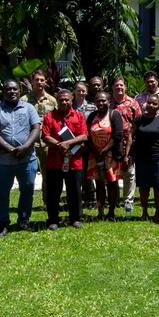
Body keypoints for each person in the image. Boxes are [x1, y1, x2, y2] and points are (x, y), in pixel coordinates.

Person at [0, 80, 42, 235]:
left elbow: (36, 128)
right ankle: (3, 223)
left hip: (26, 158)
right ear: (3, 92)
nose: (12, 92)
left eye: (15, 89)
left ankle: (24, 220)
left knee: (27, 190)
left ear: (19, 91)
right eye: (8, 89)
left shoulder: (29, 108)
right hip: (3, 160)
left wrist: (25, 146)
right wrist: (10, 149)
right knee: (2, 193)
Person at [42, 89, 89, 229]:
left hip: (74, 160)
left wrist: (68, 143)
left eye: (66, 99)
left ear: (71, 100)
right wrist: (59, 145)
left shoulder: (79, 116)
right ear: (57, 100)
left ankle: (75, 218)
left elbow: (84, 136)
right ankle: (53, 220)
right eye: (61, 99)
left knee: (74, 191)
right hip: (54, 161)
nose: (64, 102)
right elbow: (44, 136)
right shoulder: (49, 116)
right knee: (53, 192)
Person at [134, 71, 159, 201]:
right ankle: (146, 191)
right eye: (147, 82)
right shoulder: (139, 98)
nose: (150, 84)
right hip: (145, 135)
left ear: (157, 81)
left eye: (152, 81)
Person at [132, 95, 159, 222]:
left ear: (158, 106)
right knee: (143, 187)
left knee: (157, 186)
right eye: (149, 103)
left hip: (158, 157)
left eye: (154, 104)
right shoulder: (139, 119)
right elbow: (130, 136)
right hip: (142, 158)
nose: (151, 105)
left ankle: (157, 212)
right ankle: (144, 212)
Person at [86, 91, 123, 221]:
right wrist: (96, 153)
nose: (101, 103)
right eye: (98, 101)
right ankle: (100, 212)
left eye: (103, 101)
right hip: (95, 156)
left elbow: (118, 135)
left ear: (109, 101)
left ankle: (111, 212)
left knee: (112, 184)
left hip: (110, 155)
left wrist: (105, 150)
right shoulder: (91, 116)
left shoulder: (114, 114)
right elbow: (87, 136)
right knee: (99, 184)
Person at [21, 69, 57, 190]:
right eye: (37, 80)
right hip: (30, 142)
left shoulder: (52, 100)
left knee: (48, 173)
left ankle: (47, 201)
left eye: (42, 80)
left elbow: (57, 121)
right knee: (28, 172)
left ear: (45, 82)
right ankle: (27, 201)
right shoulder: (24, 100)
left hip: (47, 142)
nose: (39, 82)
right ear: (32, 81)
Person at [111, 77, 139, 214]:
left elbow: (138, 123)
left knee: (129, 172)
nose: (119, 88)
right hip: (112, 143)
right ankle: (114, 199)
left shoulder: (133, 103)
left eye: (122, 85)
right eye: (117, 86)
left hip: (129, 143)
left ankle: (128, 200)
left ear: (125, 87)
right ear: (112, 87)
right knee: (113, 172)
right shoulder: (108, 103)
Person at [73, 81, 97, 210]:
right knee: (76, 173)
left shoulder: (93, 107)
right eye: (78, 90)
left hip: (89, 145)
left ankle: (91, 200)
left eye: (83, 91)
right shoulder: (69, 107)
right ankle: (77, 199)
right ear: (74, 91)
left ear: (86, 92)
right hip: (74, 145)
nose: (81, 93)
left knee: (89, 173)